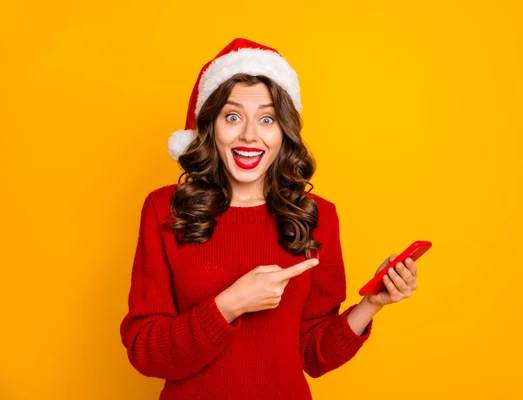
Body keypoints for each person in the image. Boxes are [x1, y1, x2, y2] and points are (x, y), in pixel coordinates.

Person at [119, 38, 418, 400]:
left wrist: (373, 303)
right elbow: (147, 353)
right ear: (210, 126)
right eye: (232, 117)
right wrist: (230, 304)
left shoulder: (317, 215)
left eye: (267, 118)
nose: (249, 134)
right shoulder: (165, 209)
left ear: (283, 132)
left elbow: (313, 354)